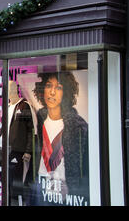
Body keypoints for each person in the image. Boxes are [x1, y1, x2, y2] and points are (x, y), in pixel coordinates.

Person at [32, 72, 89, 205]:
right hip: (42, 181)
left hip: (64, 186)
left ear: (66, 92)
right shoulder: (39, 118)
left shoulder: (77, 125)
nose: (52, 92)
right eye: (48, 86)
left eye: (58, 87)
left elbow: (84, 163)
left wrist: (73, 187)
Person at [7, 81, 36, 206]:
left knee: (18, 183)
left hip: (19, 151)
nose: (8, 91)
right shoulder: (7, 107)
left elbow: (31, 130)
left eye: (11, 88)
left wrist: (28, 151)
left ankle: (19, 203)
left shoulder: (24, 106)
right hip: (7, 150)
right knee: (8, 181)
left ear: (15, 89)